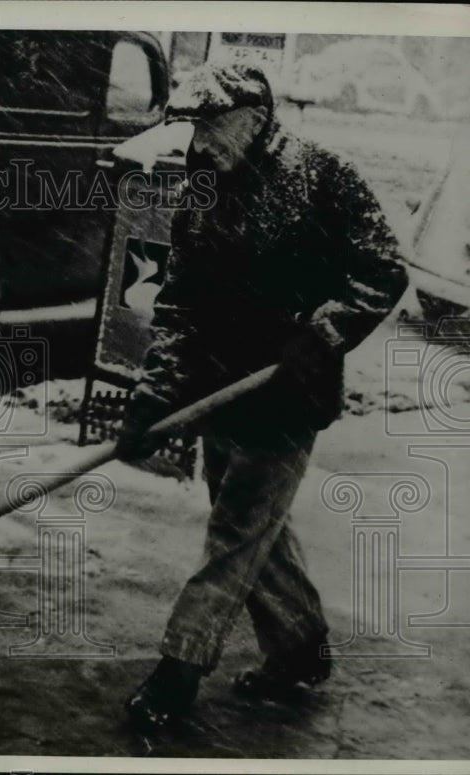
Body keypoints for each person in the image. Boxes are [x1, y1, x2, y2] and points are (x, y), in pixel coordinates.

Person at [115, 62, 409, 732]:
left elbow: (382, 269)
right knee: (255, 529)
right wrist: (153, 398)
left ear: (255, 118)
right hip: (221, 390)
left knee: (235, 532)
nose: (201, 141)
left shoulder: (322, 175)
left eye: (213, 125)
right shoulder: (204, 187)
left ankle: (178, 670)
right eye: (194, 127)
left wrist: (321, 334)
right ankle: (300, 646)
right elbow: (181, 301)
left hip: (287, 392)